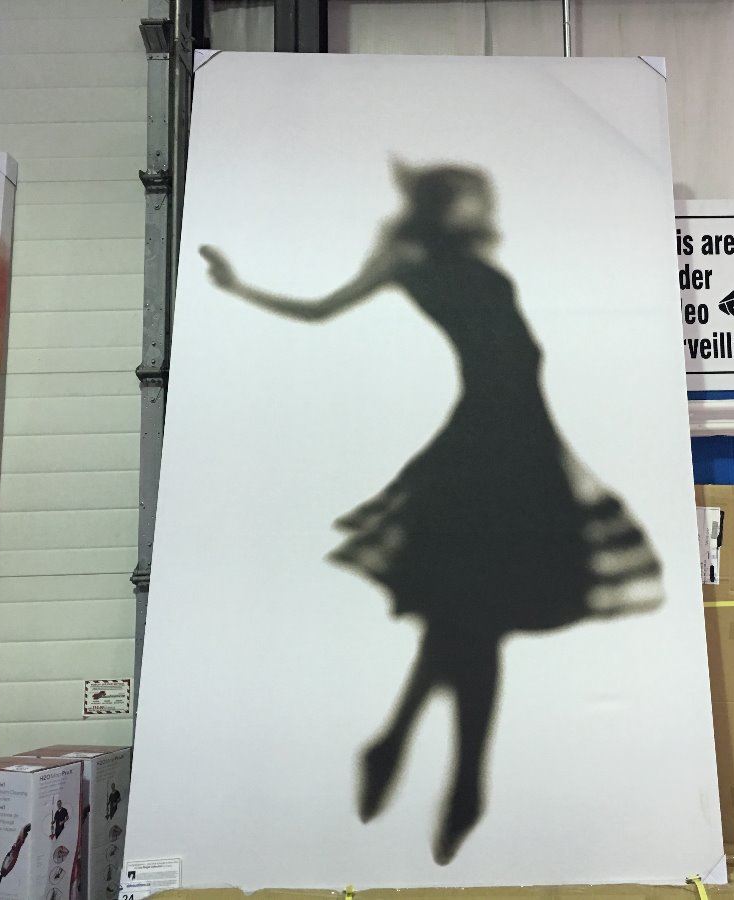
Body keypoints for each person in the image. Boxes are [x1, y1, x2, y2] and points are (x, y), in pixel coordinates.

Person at [201, 160, 663, 864]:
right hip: (483, 444)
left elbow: (523, 365)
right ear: (440, 204)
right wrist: (238, 288)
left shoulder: (471, 261)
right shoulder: (406, 260)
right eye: (468, 197)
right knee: (476, 618)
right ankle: (460, 784)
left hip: (528, 444)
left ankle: (401, 751)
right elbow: (321, 310)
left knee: (463, 616)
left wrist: (562, 456)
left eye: (482, 197)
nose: (481, 206)